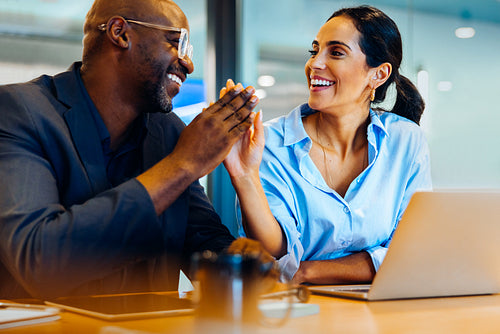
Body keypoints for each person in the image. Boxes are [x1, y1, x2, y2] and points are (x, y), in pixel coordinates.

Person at [0, 0, 268, 299]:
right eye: (176, 42)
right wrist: (184, 164)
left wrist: (245, 260)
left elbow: (203, 241)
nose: (189, 64)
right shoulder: (19, 111)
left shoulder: (169, 131)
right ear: (120, 33)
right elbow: (38, 261)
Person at [224, 5, 432, 284]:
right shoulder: (269, 143)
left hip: (382, 312)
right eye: (315, 51)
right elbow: (274, 251)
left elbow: (412, 252)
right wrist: (245, 176)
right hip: (298, 314)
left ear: (378, 75)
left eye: (335, 52)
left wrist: (309, 271)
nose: (314, 64)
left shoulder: (406, 141)